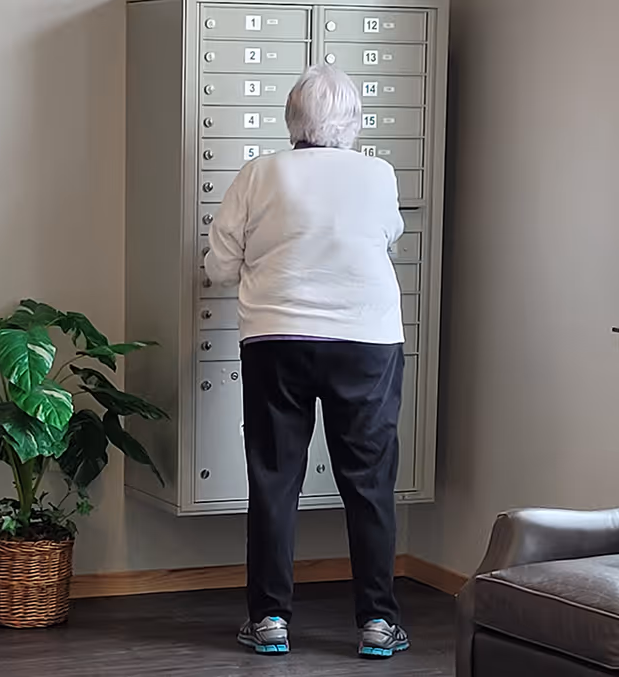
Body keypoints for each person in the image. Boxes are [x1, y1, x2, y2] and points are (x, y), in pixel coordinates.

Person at [204, 64, 409, 659]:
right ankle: (376, 622)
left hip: (277, 338)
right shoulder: (378, 173)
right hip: (366, 340)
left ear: (291, 119)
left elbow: (219, 264)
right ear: (354, 123)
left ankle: (268, 618)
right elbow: (385, 235)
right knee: (369, 485)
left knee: (274, 479)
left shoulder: (258, 173)